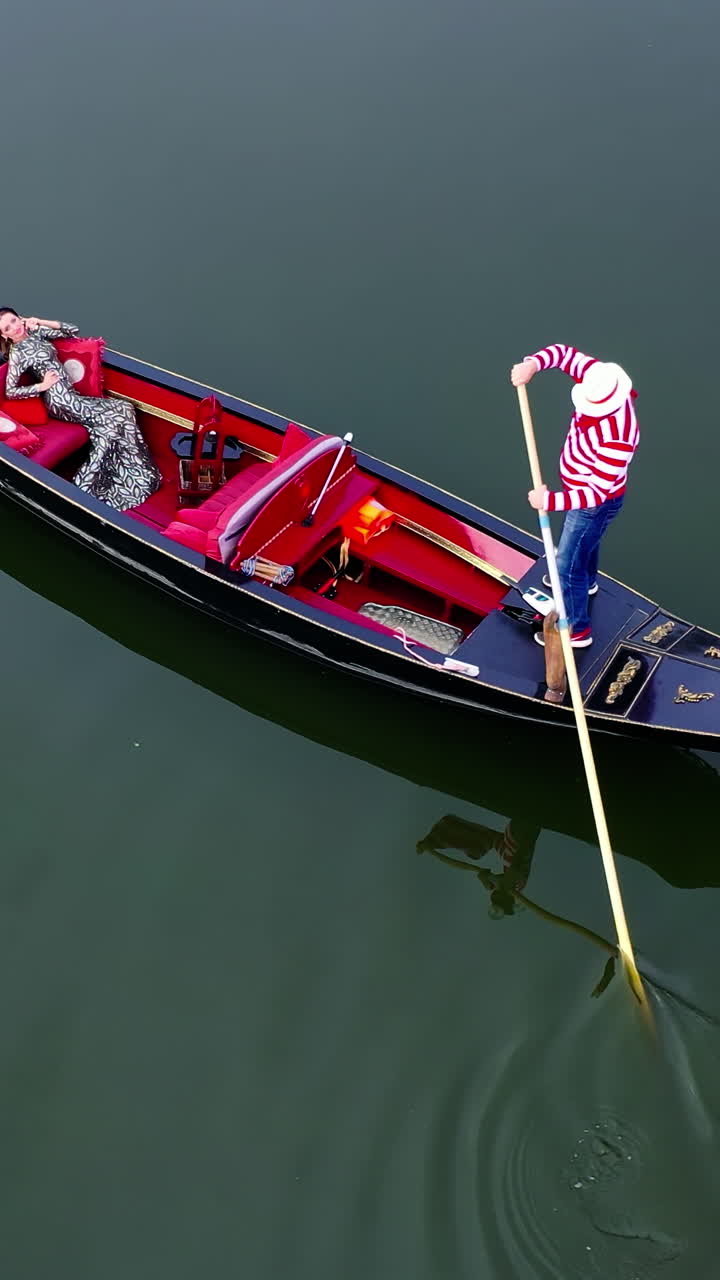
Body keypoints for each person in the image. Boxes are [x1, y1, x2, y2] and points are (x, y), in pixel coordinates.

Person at [511, 343, 639, 649]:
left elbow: (595, 494)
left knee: (567, 562)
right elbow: (563, 354)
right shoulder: (599, 377)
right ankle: (587, 584)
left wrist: (549, 502)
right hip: (583, 496)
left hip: (592, 503)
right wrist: (533, 364)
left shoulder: (619, 437)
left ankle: (577, 630)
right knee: (586, 546)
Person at [0, 309, 161, 511]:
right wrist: (42, 386)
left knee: (123, 408)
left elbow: (71, 330)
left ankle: (135, 473)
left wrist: (40, 321)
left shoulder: (36, 333)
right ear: (4, 336)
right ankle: (86, 484)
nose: (15, 327)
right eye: (8, 328)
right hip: (60, 401)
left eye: (14, 320)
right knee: (116, 416)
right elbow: (11, 391)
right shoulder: (17, 355)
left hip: (72, 395)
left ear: (20, 317)